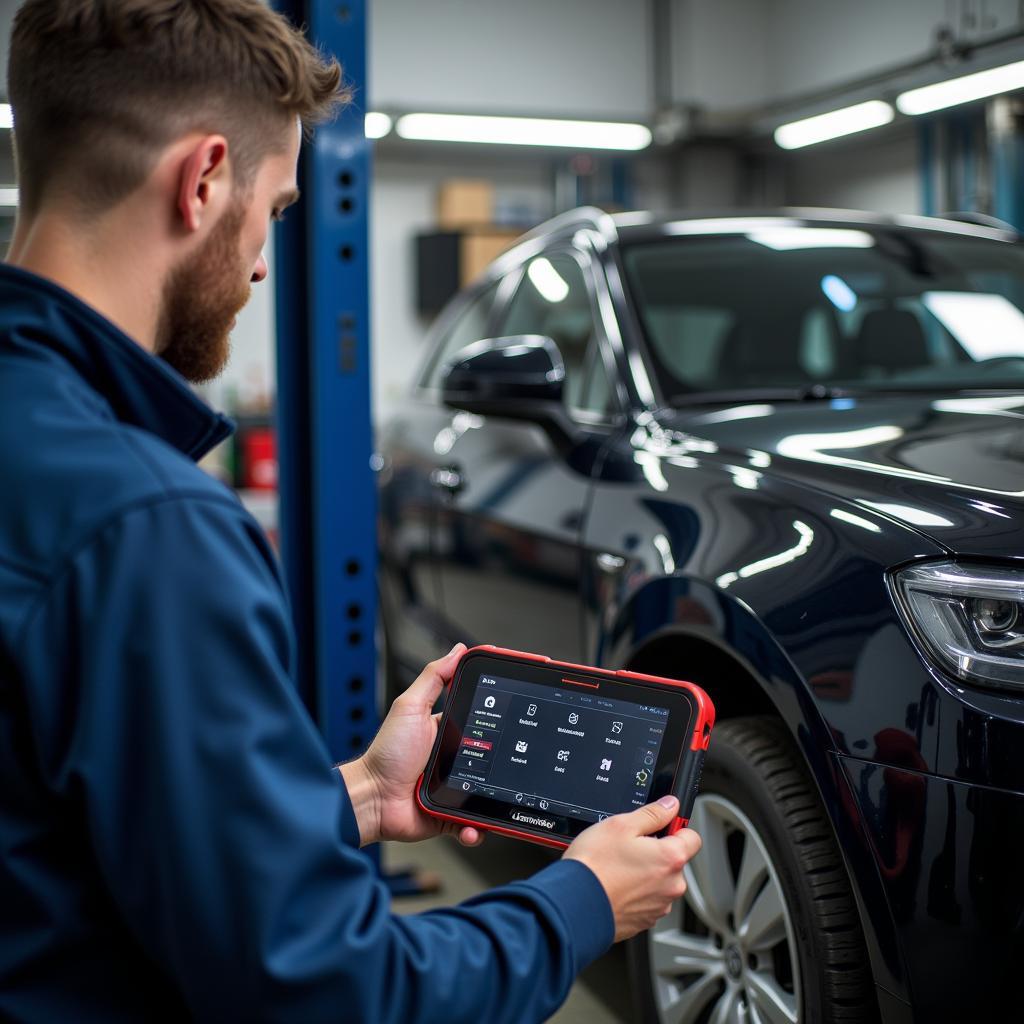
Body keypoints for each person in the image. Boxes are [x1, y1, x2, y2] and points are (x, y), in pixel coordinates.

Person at [0, 1, 703, 1021]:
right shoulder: (148, 527)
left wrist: (365, 793)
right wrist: (580, 901)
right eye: (276, 210)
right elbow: (335, 994)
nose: (258, 265)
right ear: (202, 182)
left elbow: (64, 828)